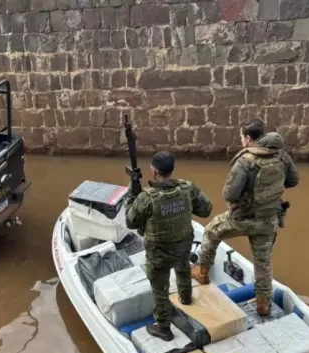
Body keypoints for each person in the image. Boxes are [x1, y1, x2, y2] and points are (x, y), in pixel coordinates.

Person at [191, 118, 299, 316]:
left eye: (241, 137)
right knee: (263, 262)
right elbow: (293, 181)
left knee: (211, 231)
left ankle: (202, 272)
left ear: (248, 139)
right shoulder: (281, 156)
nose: (241, 141)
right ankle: (263, 304)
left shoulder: (245, 161)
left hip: (243, 217)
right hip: (269, 220)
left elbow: (229, 195)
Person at [126, 151, 213, 341]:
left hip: (159, 253)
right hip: (183, 246)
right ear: (173, 169)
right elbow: (206, 209)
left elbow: (130, 222)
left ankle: (164, 328)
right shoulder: (187, 188)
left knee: (160, 288)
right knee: (183, 269)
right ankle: (186, 298)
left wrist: (132, 197)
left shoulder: (147, 197)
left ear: (153, 171)